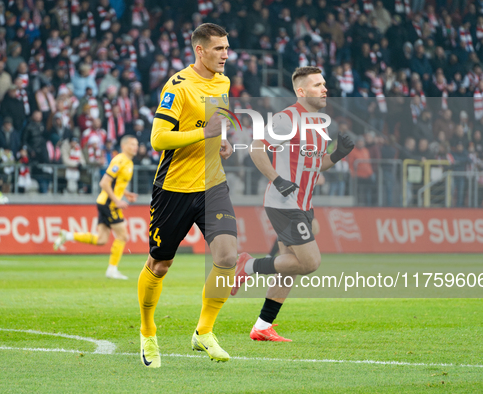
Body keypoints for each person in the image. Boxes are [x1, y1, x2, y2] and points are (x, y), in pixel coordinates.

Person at [138, 23, 236, 368]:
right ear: (200, 50)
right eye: (219, 49)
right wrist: (201, 135)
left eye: (226, 48)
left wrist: (220, 140)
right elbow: (158, 139)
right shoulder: (177, 87)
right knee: (160, 265)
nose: (225, 54)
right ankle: (148, 332)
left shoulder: (222, 81)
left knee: (227, 257)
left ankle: (204, 331)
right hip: (174, 189)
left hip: (212, 185)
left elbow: (216, 121)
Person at [232, 66, 354, 341]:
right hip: (284, 203)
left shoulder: (319, 123)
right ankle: (247, 265)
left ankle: (262, 326)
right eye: (317, 85)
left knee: (290, 267)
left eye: (324, 83)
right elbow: (256, 148)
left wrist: (337, 156)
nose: (324, 88)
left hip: (303, 204)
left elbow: (315, 165)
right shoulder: (287, 119)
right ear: (301, 91)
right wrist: (276, 179)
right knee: (310, 262)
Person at [53, 135, 139, 280]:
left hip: (106, 202)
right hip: (109, 203)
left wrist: (126, 193)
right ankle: (112, 270)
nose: (135, 147)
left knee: (101, 240)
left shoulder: (129, 163)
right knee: (123, 236)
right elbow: (104, 182)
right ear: (124, 146)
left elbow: (116, 183)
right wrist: (117, 201)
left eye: (136, 144)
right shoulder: (119, 160)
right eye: (132, 144)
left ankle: (67, 235)